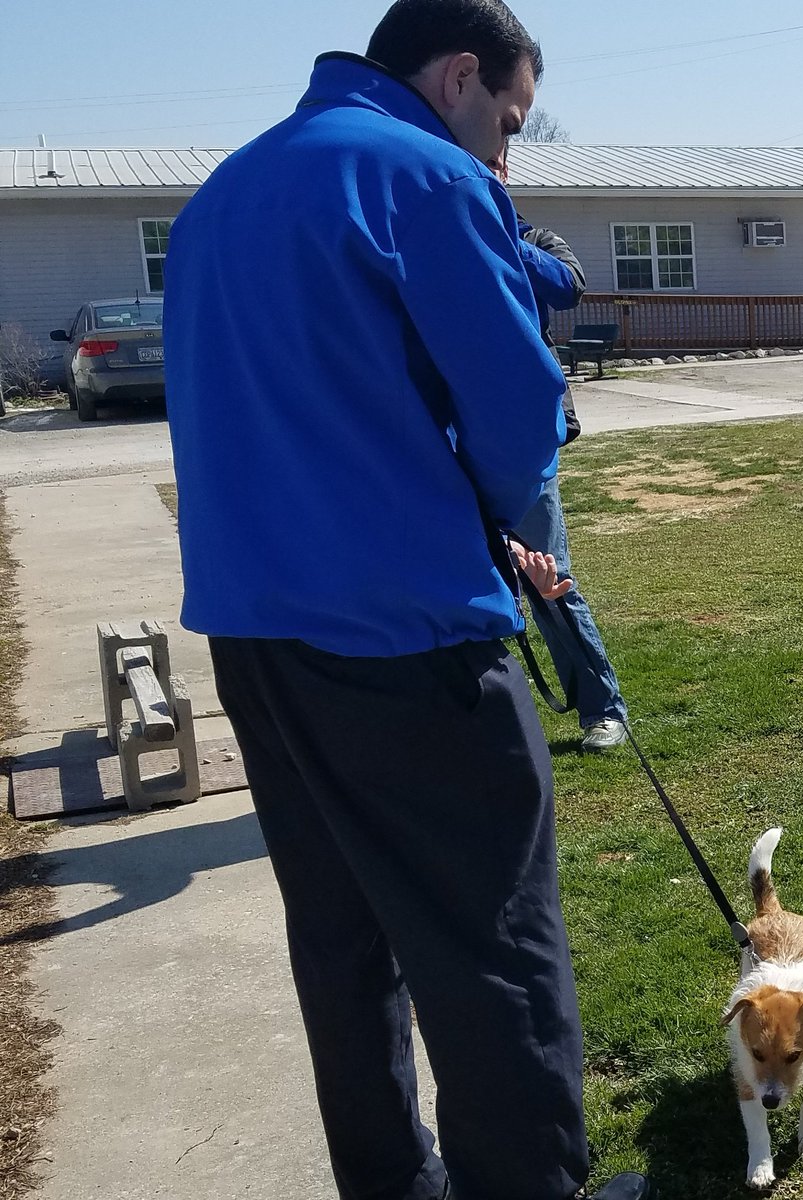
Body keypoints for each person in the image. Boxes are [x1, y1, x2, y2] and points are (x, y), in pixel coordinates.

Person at [162, 3, 651, 1199]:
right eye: (508, 120)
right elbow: (518, 413)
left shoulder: (224, 191)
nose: (504, 154)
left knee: (342, 940)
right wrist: (502, 519)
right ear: (460, 74)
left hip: (253, 634)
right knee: (492, 943)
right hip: (405, 633)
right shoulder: (425, 176)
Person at [490, 143, 630, 752]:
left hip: (524, 438)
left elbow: (570, 285)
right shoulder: (427, 236)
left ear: (501, 171)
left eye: (488, 165)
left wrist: (490, 234)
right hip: (449, 441)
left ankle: (603, 709)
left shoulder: (534, 239)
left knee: (548, 575)